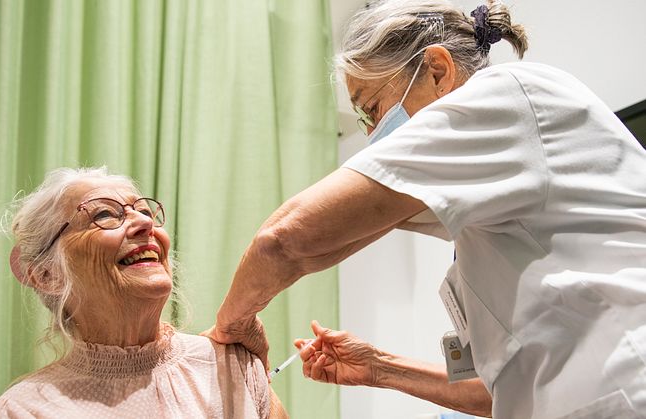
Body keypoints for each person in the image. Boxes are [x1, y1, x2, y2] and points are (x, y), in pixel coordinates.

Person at [207, 0, 646, 418]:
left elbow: (287, 240)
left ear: (437, 70)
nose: (376, 133)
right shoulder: (488, 206)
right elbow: (499, 392)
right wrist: (380, 366)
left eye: (374, 109)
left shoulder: (509, 95)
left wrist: (229, 327)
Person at [0, 167, 287, 419]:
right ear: (47, 275)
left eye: (144, 211)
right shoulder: (22, 411)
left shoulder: (233, 368)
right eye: (103, 215)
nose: (144, 222)